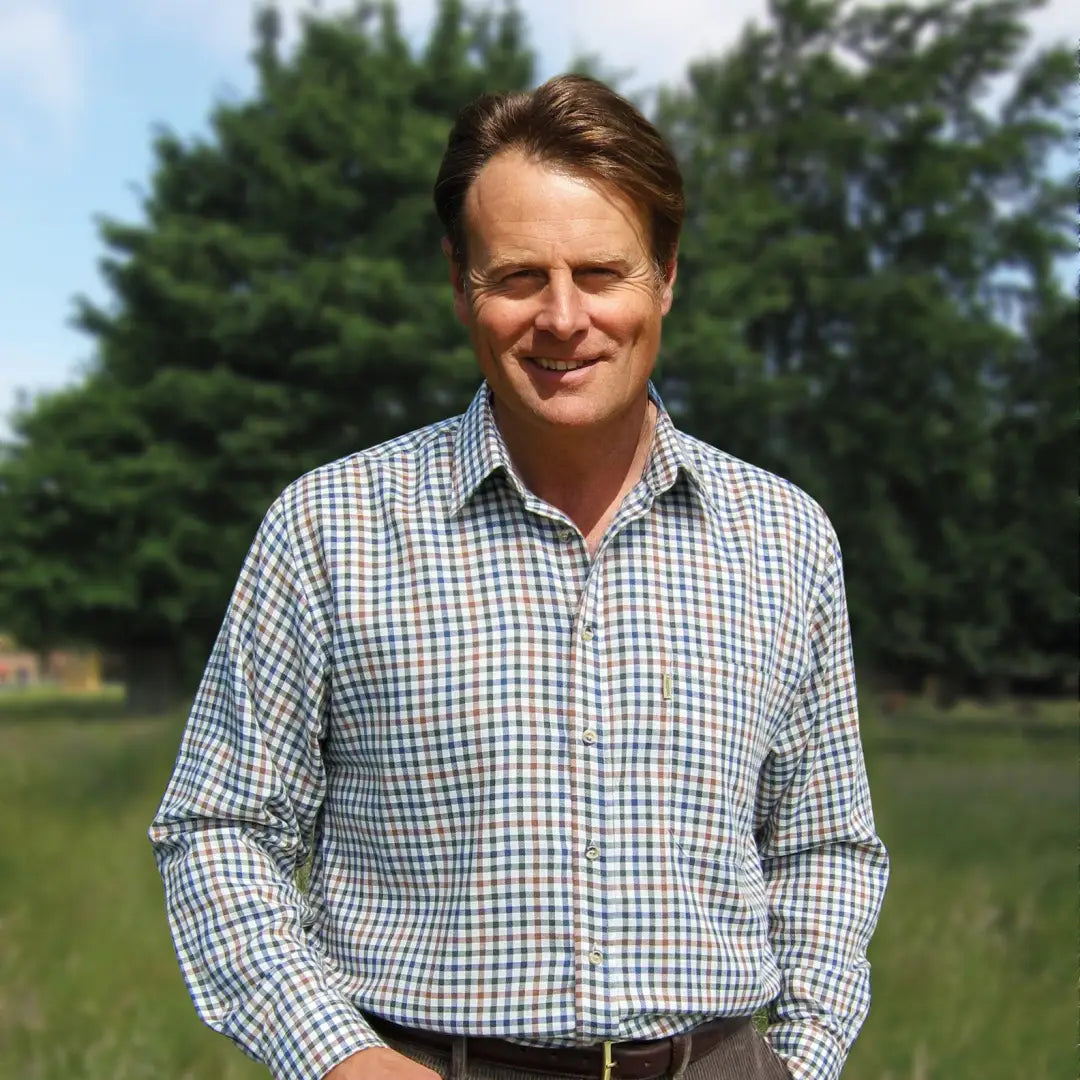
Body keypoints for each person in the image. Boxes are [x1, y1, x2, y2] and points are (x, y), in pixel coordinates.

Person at [150, 74, 888, 1080]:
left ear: (666, 276)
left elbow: (825, 847)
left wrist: (799, 1058)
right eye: (518, 278)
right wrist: (338, 1060)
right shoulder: (329, 527)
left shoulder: (786, 538)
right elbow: (218, 827)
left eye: (602, 272)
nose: (564, 316)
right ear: (460, 282)